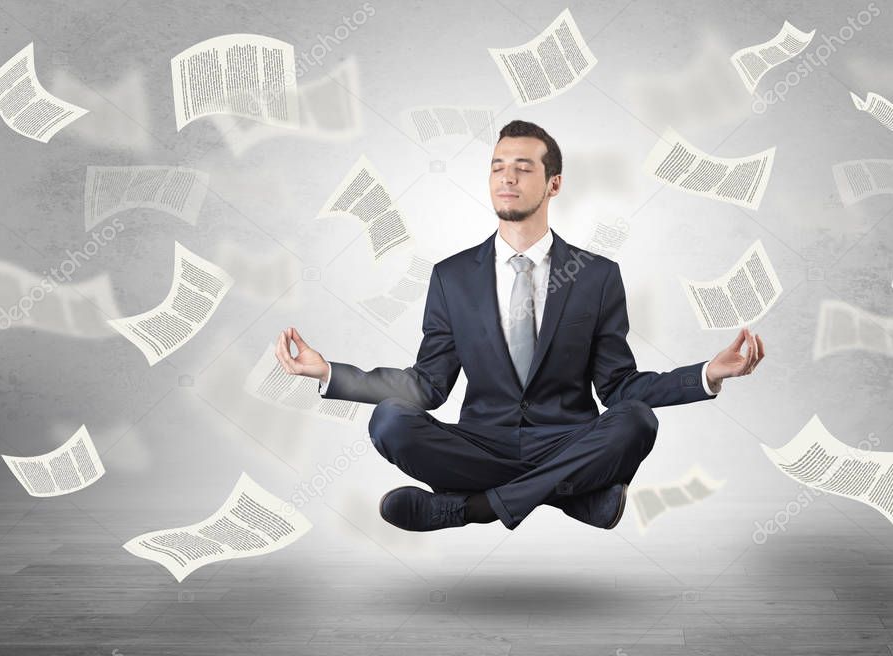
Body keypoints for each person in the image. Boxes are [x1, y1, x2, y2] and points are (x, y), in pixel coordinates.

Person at [276, 120, 765, 532]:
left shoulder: (597, 275)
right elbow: (427, 385)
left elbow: (618, 388)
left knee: (636, 420)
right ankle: (570, 496)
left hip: (566, 437)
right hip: (480, 444)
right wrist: (329, 375)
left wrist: (708, 374)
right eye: (497, 168)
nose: (506, 178)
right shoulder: (452, 277)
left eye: (523, 168)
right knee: (389, 420)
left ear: (554, 183)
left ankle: (473, 508)